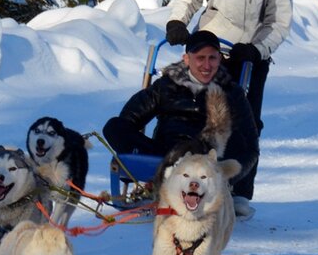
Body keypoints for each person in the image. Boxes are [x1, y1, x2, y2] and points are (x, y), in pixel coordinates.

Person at [163, 0, 293, 202]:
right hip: (210, 51)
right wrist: (176, 21)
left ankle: (239, 193)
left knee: (247, 124)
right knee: (192, 114)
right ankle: (180, 180)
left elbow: (280, 21)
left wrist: (258, 49)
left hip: (249, 56)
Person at [103, 29, 259, 218]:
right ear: (186, 59)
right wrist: (134, 151)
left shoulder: (231, 93)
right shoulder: (166, 86)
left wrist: (227, 177)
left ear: (220, 59)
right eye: (200, 58)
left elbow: (250, 147)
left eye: (212, 58)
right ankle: (157, 181)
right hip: (166, 156)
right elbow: (128, 120)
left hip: (205, 162)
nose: (207, 65)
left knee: (238, 139)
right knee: (113, 126)